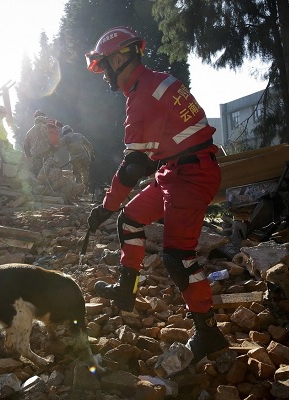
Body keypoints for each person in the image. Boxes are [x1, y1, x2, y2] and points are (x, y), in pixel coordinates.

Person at [84, 26, 228, 364]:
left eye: (105, 65)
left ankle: (209, 334)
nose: (104, 75)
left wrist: (105, 206)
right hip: (176, 170)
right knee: (131, 219)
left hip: (190, 175)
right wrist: (115, 206)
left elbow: (134, 166)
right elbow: (151, 158)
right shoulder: (152, 83)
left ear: (120, 57)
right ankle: (127, 288)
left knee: (178, 258)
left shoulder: (143, 94)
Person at [57, 125, 96, 193]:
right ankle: (85, 189)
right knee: (85, 172)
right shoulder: (79, 135)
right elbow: (89, 145)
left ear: (64, 132)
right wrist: (91, 155)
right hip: (84, 156)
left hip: (75, 158)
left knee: (77, 174)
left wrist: (50, 149)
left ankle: (79, 190)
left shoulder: (66, 137)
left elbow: (58, 145)